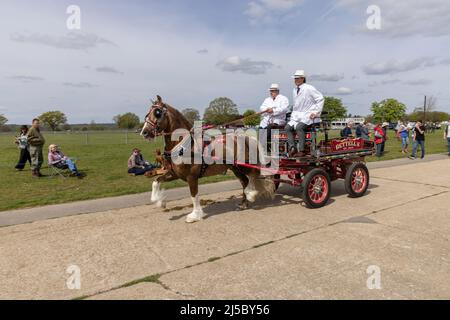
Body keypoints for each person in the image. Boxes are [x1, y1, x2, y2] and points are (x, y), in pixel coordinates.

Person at [285, 70, 324, 157]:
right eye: (295, 78)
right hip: (297, 115)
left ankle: (302, 150)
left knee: (299, 127)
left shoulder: (309, 88)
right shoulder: (294, 90)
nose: (296, 80)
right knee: (287, 128)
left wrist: (316, 112)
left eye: (298, 78)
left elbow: (320, 98)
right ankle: (293, 148)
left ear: (303, 78)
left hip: (308, 114)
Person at [259, 83, 289, 152]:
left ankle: (261, 145)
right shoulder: (267, 99)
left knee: (270, 127)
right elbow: (262, 108)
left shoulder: (283, 99)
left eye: (273, 91)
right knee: (261, 128)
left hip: (278, 120)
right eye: (271, 91)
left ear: (278, 91)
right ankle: (265, 148)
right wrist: (267, 109)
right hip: (267, 119)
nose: (272, 92)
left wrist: (273, 110)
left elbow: (284, 109)